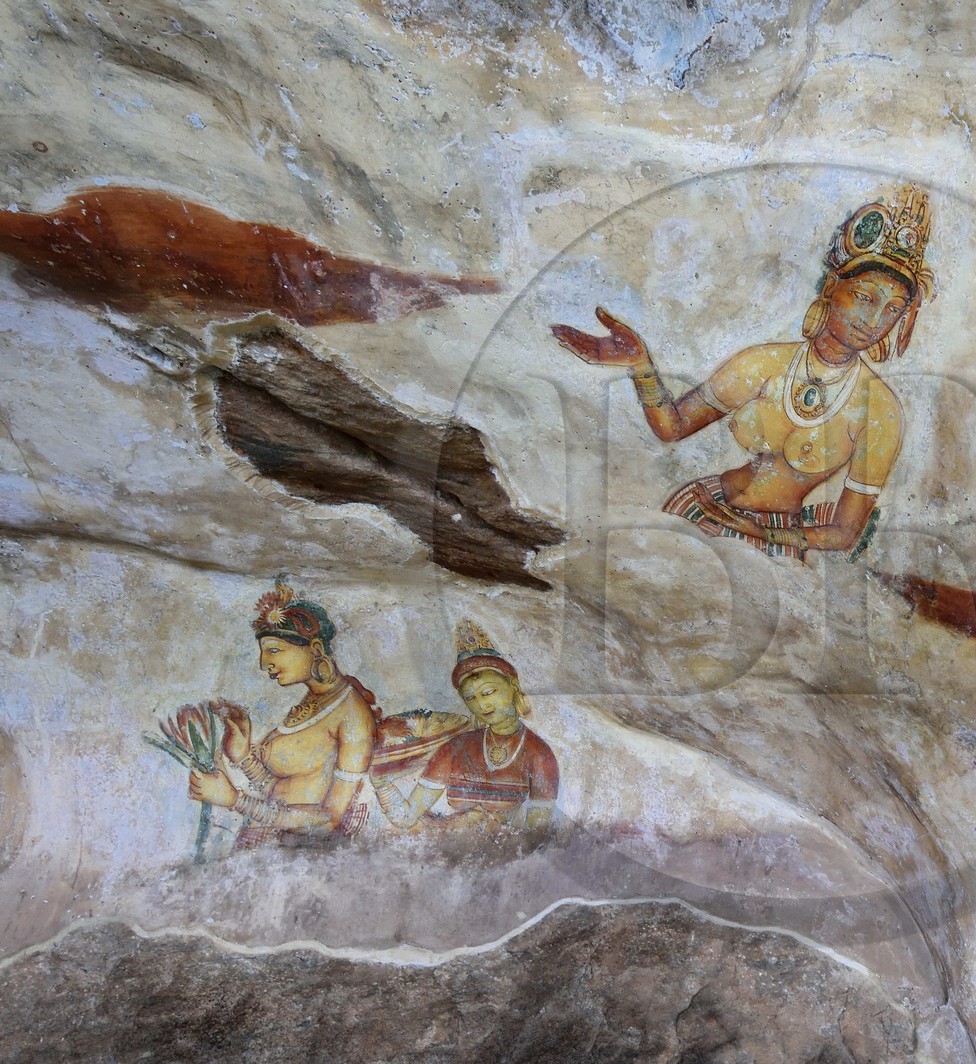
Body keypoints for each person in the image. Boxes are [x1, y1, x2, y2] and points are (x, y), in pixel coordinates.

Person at [551, 185, 936, 561]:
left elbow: (844, 533)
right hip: (702, 507)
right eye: (865, 298)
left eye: (893, 309)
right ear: (832, 288)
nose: (874, 321)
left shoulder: (879, 408)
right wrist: (640, 366)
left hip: (777, 540)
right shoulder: (763, 363)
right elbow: (672, 427)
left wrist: (756, 532)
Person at [188, 582, 377, 849]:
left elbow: (329, 819)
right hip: (275, 845)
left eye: (274, 650)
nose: (264, 664)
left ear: (315, 649)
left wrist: (234, 800)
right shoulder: (315, 701)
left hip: (309, 856)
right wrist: (243, 756)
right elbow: (281, 790)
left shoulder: (352, 715)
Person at [372, 620, 558, 836]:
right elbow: (405, 817)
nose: (481, 704)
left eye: (488, 692)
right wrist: (381, 785)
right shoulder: (456, 747)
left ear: (513, 686)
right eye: (471, 697)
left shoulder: (539, 754)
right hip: (450, 850)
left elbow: (536, 835)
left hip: (505, 857)